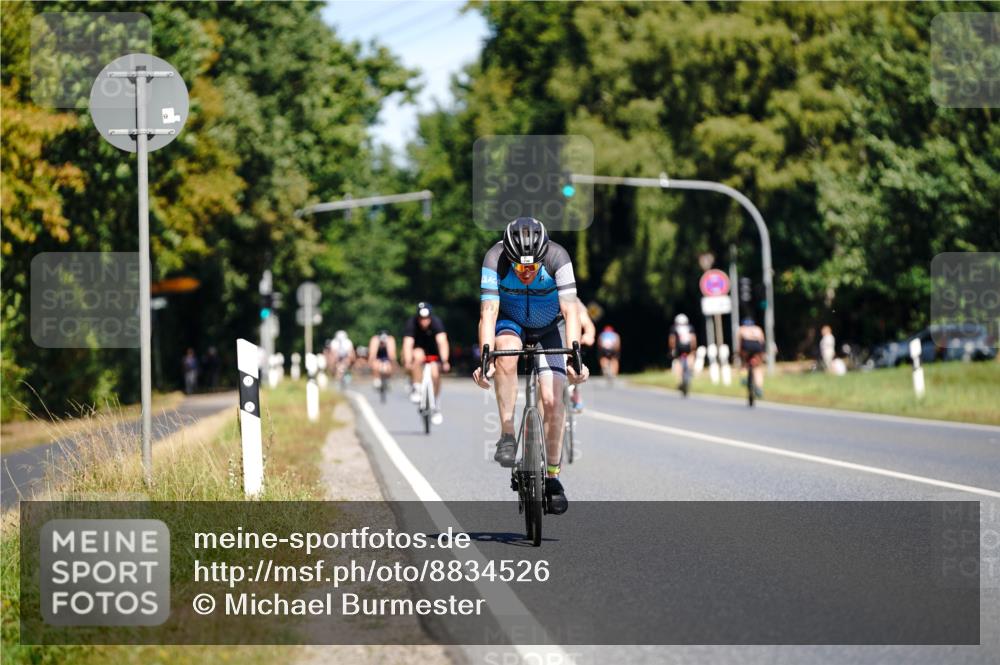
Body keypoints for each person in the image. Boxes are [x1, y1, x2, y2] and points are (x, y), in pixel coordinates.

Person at [472, 217, 589, 515]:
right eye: (519, 267)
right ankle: (507, 433)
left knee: (552, 399)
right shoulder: (494, 259)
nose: (526, 273)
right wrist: (485, 358)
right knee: (505, 353)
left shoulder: (559, 257)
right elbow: (489, 312)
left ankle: (553, 476)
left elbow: (570, 311)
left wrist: (575, 358)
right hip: (510, 323)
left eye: (533, 267)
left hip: (550, 326)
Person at [402, 302, 450, 424]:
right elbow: (407, 344)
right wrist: (407, 361)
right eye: (421, 318)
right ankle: (417, 387)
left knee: (435, 374)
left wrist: (445, 361)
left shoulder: (436, 323)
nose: (424, 321)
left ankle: (436, 404)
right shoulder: (411, 323)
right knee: (417, 355)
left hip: (434, 352)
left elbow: (442, 342)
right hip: (418, 350)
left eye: (426, 318)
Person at [565, 298, 595, 412]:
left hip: (571, 344)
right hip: (549, 343)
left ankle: (575, 391)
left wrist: (589, 335)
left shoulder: (573, 299)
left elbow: (587, 323)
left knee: (575, 368)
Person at [737, 317, 766, 396]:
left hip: (747, 345)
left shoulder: (742, 329)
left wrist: (740, 353)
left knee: (744, 362)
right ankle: (759, 388)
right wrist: (762, 354)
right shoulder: (758, 329)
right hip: (757, 346)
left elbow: (740, 342)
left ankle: (744, 378)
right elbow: (762, 341)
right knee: (757, 367)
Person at [668, 313, 697, 387]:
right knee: (691, 359)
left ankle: (680, 381)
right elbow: (693, 339)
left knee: (677, 362)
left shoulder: (674, 328)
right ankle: (690, 373)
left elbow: (672, 340)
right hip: (688, 348)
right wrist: (693, 350)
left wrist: (672, 349)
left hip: (678, 348)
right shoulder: (690, 327)